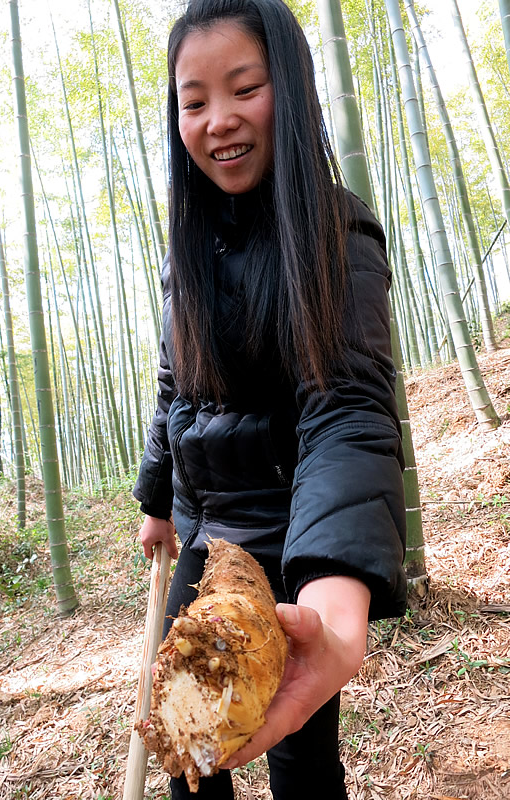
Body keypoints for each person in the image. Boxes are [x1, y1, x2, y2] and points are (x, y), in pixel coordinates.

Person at [133, 0, 407, 797]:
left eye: (244, 88)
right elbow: (172, 391)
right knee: (187, 747)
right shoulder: (185, 251)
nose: (218, 120)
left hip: (288, 546)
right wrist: (157, 501)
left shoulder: (335, 233)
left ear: (288, 89)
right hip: (203, 533)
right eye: (194, 101)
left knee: (297, 756)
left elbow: (347, 410)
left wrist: (330, 588)